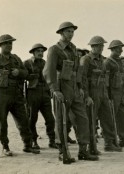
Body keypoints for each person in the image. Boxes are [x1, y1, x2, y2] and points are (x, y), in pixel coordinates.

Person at [43, 22, 98, 164]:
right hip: (62, 87)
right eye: (68, 31)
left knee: (82, 118)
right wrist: (54, 89)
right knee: (61, 120)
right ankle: (63, 152)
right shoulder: (54, 49)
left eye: (72, 31)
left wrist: (80, 87)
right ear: (61, 33)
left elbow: (78, 70)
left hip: (74, 88)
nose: (71, 34)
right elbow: (49, 71)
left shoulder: (73, 49)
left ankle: (83, 151)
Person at [0, 34, 40, 156]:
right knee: (2, 122)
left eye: (11, 43)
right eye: (6, 43)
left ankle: (27, 145)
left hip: (17, 93)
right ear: (0, 45)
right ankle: (5, 146)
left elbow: (26, 73)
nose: (9, 45)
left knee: (23, 120)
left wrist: (19, 72)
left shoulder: (16, 59)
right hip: (3, 94)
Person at [80, 36, 122, 152]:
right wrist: (87, 96)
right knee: (91, 120)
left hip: (103, 92)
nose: (101, 48)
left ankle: (109, 143)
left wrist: (107, 95)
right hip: (92, 93)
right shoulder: (86, 59)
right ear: (92, 47)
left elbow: (105, 78)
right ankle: (91, 147)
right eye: (98, 46)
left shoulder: (102, 60)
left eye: (102, 46)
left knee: (108, 118)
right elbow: (83, 79)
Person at [24, 43, 57, 149]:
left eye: (42, 51)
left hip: (45, 92)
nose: (40, 53)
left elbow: (51, 76)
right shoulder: (27, 63)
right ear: (33, 52)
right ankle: (34, 141)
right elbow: (23, 76)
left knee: (50, 119)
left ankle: (52, 140)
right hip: (33, 93)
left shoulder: (45, 63)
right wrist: (31, 76)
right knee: (32, 119)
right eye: (38, 51)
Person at [104, 40, 124, 148]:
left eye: (121, 48)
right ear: (112, 49)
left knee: (123, 117)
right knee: (111, 118)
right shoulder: (108, 62)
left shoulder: (120, 63)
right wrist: (108, 96)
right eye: (118, 48)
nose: (121, 50)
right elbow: (106, 82)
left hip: (121, 93)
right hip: (112, 94)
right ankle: (111, 141)